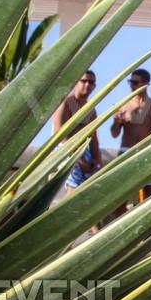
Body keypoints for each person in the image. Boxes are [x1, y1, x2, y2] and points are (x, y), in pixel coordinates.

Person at [110, 68, 151, 213]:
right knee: (120, 195)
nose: (132, 86)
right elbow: (114, 134)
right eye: (130, 82)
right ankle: (119, 224)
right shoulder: (124, 105)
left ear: (146, 84)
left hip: (146, 153)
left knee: (150, 194)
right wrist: (116, 122)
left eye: (135, 83)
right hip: (126, 152)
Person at [52, 70, 102, 202]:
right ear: (76, 82)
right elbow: (60, 134)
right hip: (66, 152)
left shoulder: (90, 108)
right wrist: (78, 159)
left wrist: (97, 160)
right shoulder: (68, 102)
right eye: (83, 81)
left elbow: (93, 137)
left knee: (92, 194)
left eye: (91, 82)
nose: (87, 85)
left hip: (84, 152)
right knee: (73, 193)